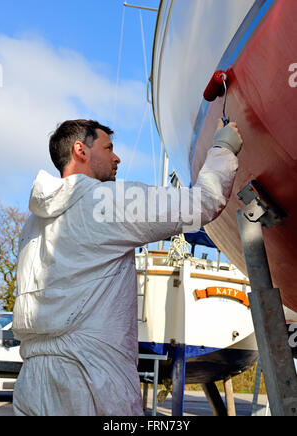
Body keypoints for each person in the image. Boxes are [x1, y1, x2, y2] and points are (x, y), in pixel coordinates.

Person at [12, 118, 243, 416]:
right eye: (108, 148)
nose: (116, 157)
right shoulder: (102, 200)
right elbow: (202, 203)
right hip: (91, 379)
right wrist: (224, 147)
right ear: (80, 150)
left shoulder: (33, 225)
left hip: (33, 381)